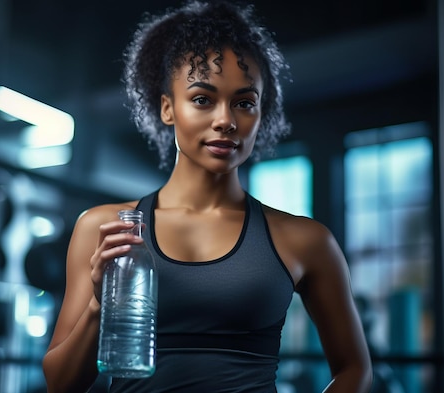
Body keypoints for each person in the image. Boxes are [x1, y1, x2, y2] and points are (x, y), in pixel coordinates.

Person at [42, 1, 373, 392]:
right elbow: (61, 384)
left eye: (244, 103)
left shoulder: (305, 240)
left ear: (261, 113)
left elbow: (355, 370)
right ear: (168, 108)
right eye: (203, 99)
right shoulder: (106, 228)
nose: (225, 120)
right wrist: (101, 305)